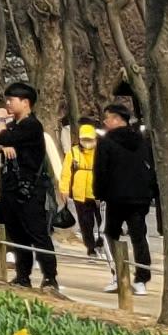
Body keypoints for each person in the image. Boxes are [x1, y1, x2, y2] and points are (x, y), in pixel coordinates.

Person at [0, 80, 59, 292]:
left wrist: (1, 122)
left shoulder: (31, 125)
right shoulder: (13, 125)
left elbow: (3, 137)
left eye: (11, 100)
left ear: (25, 102)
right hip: (11, 188)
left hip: (30, 188)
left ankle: (50, 277)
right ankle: (23, 276)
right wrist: (3, 146)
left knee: (37, 233)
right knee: (17, 234)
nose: (7, 104)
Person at [96, 88, 156, 300]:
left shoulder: (106, 142)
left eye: (107, 118)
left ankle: (118, 275)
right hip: (139, 197)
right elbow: (150, 168)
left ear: (116, 119)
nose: (105, 122)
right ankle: (142, 279)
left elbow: (101, 170)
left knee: (108, 234)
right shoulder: (142, 141)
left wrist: (99, 193)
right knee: (140, 237)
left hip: (114, 196)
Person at [62, 111, 99, 262]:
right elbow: (66, 172)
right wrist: (64, 189)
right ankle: (91, 247)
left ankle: (102, 244)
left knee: (102, 222)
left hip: (97, 192)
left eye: (90, 139)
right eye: (84, 139)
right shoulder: (73, 152)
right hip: (79, 192)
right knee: (85, 222)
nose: (87, 142)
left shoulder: (100, 151)